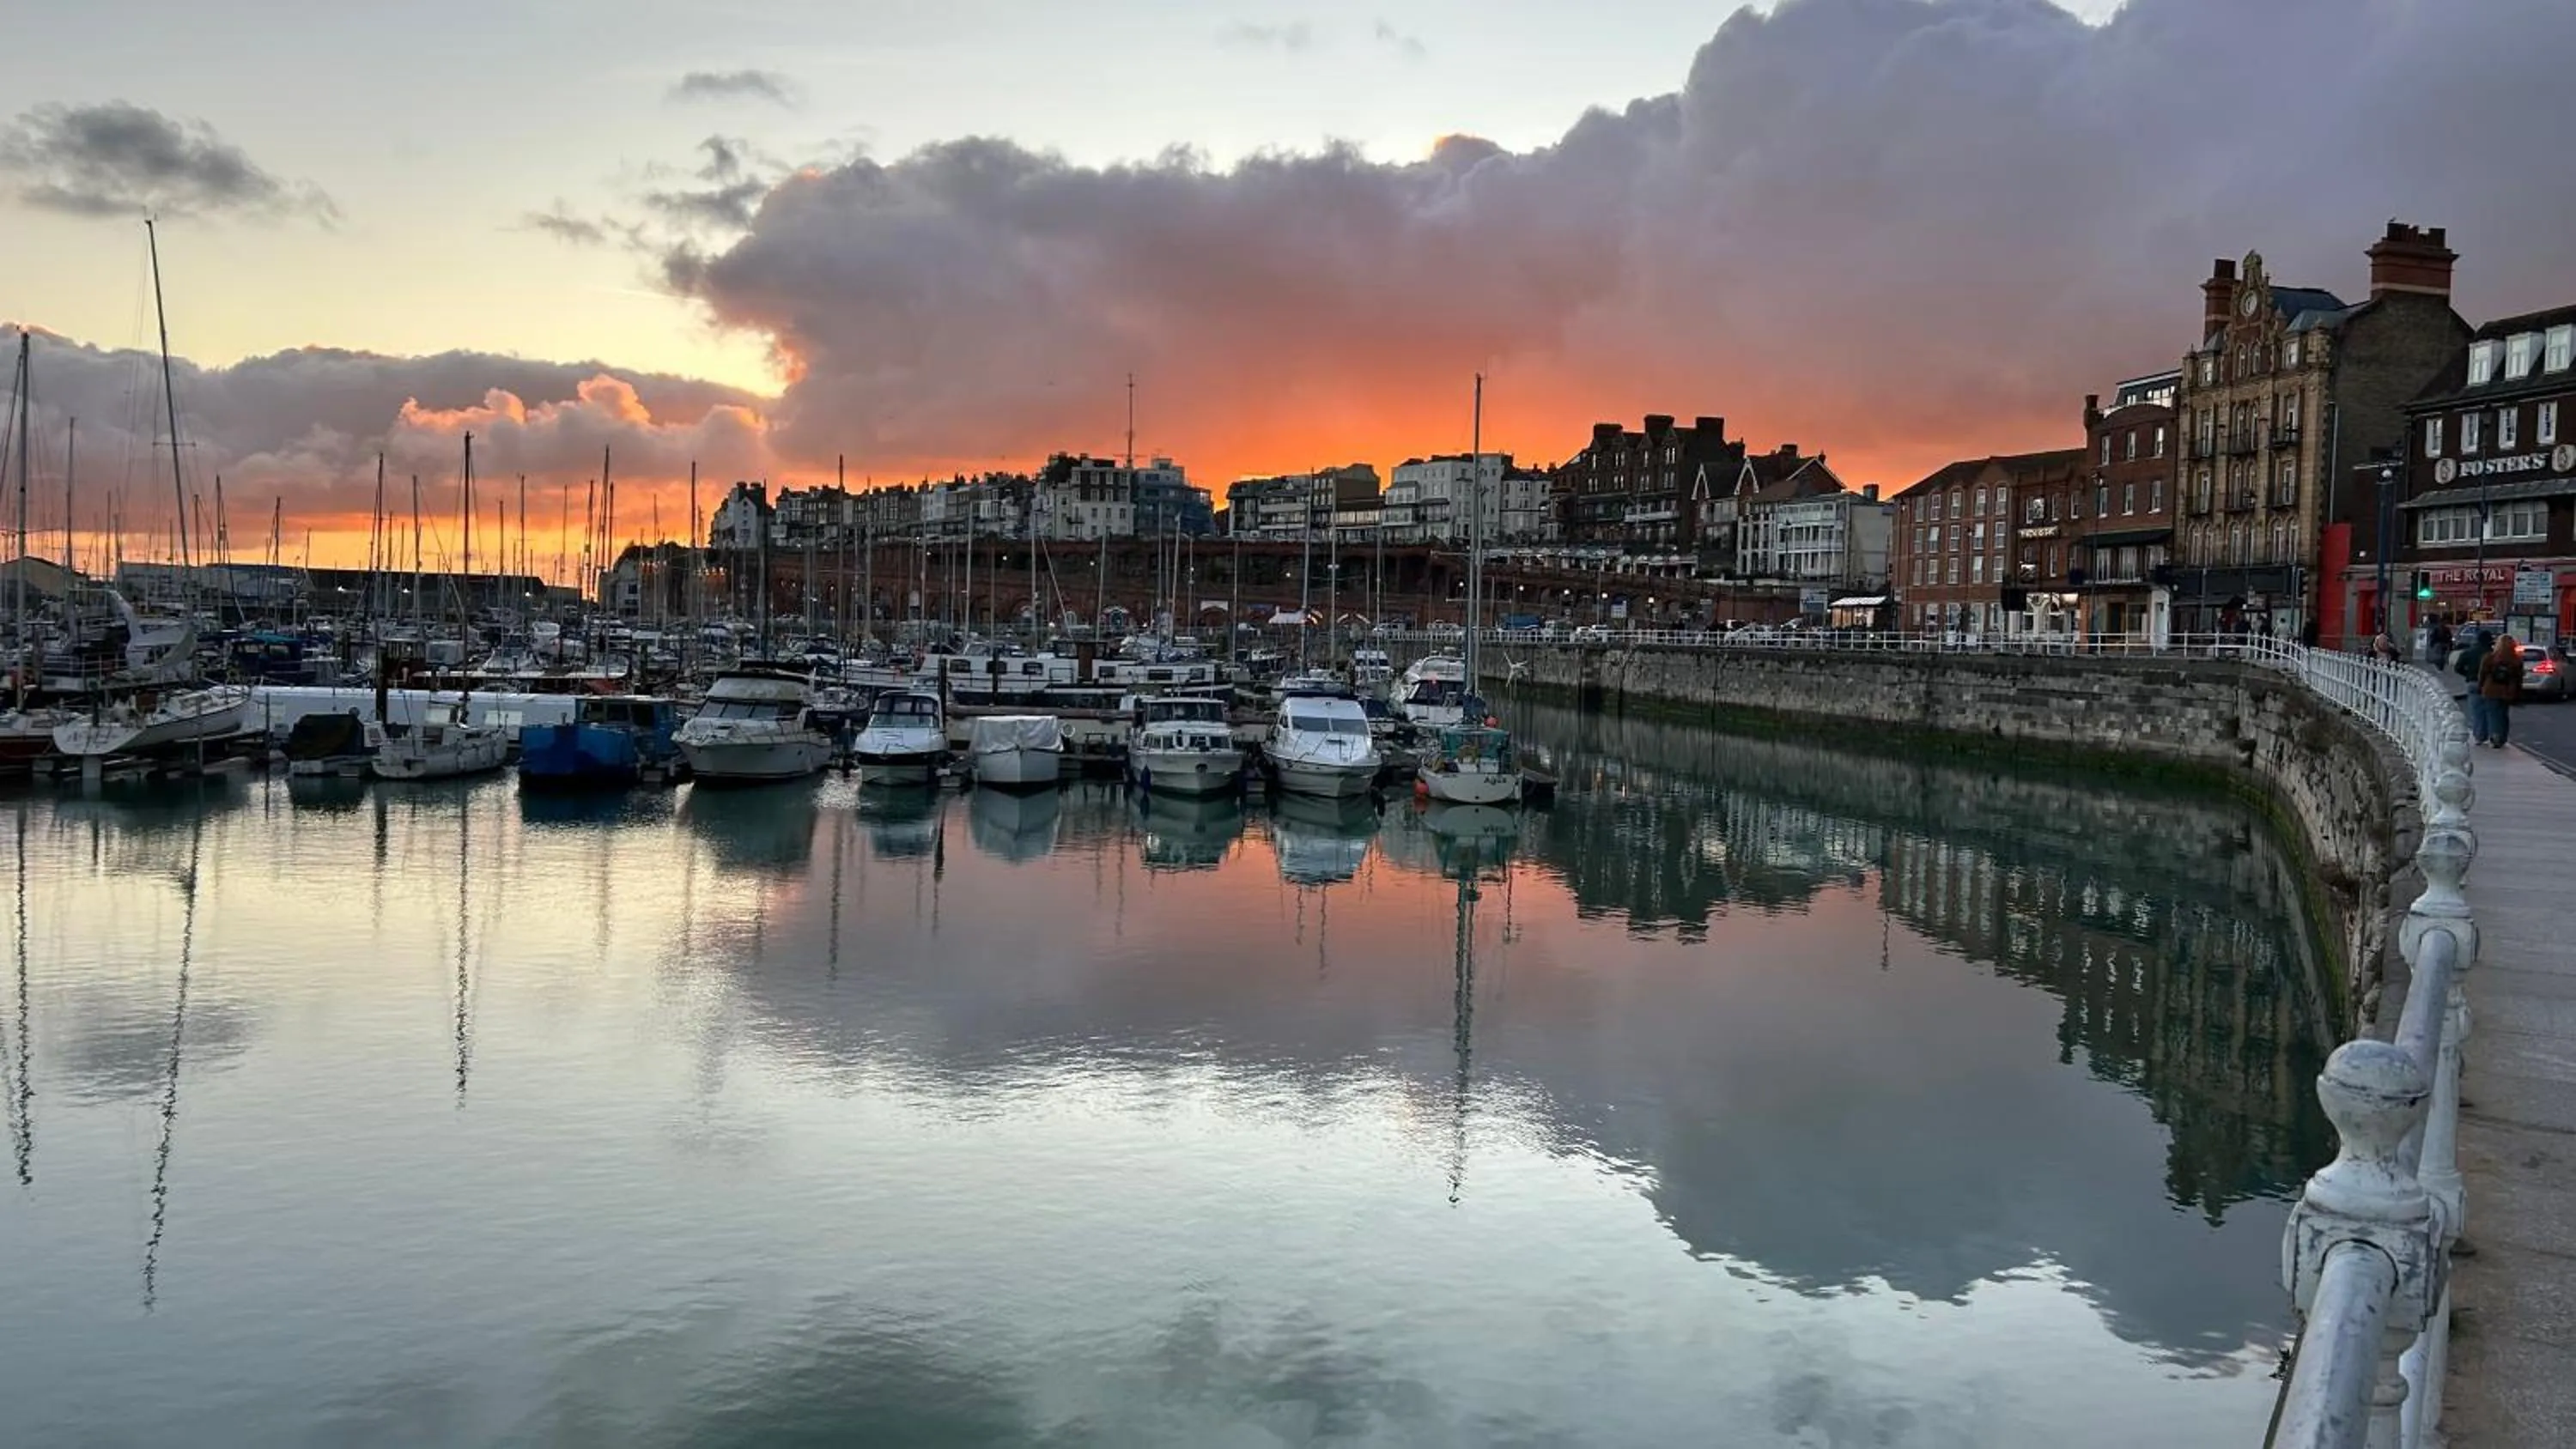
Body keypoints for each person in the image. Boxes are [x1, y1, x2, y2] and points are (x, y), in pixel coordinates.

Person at [2476, 632, 2524, 748]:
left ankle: (2496, 737)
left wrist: (2481, 687)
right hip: (2508, 691)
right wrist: (2517, 692)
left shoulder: (2490, 658)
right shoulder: (2516, 661)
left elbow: (2482, 674)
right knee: (2503, 714)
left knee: (2493, 714)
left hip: (2491, 690)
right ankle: (2502, 737)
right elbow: (2518, 678)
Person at [2457, 627, 2495, 742]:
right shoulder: (2492, 654)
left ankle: (2479, 736)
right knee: (2490, 711)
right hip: (2489, 684)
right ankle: (2491, 734)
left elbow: (2458, 667)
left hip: (2473, 682)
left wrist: (2467, 674)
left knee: (2476, 711)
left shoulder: (2469, 652)